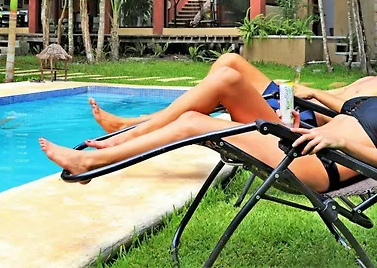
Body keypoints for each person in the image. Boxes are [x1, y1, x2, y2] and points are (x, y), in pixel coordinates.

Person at [39, 58, 377, 193]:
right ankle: (126, 133)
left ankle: (92, 161)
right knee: (228, 72)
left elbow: (355, 138)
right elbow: (344, 112)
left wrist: (343, 143)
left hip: (321, 163)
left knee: (192, 121)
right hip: (301, 140)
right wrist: (311, 108)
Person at [88, 53, 377, 134]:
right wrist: (315, 92)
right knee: (230, 61)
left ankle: (134, 127)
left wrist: (314, 93)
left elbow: (355, 115)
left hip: (301, 121)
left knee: (225, 82)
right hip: (299, 103)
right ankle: (138, 122)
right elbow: (343, 93)